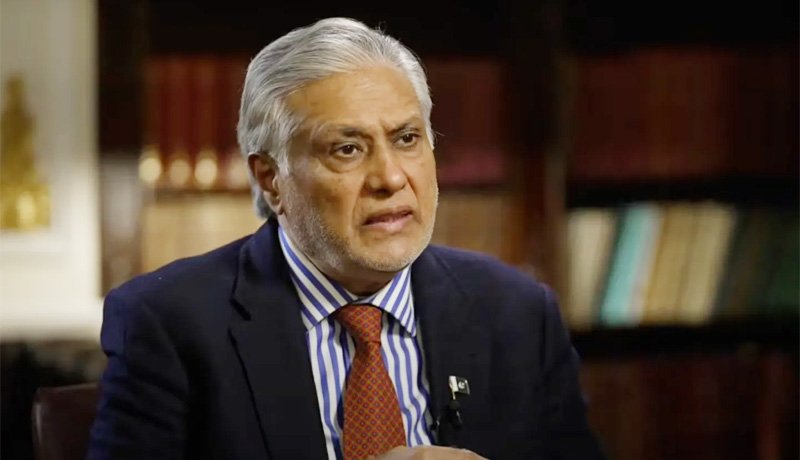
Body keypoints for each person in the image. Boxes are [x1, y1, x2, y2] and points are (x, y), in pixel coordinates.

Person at [88, 17, 606, 460]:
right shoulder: (169, 324)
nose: (390, 177)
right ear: (271, 179)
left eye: (407, 139)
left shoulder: (518, 314)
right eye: (347, 149)